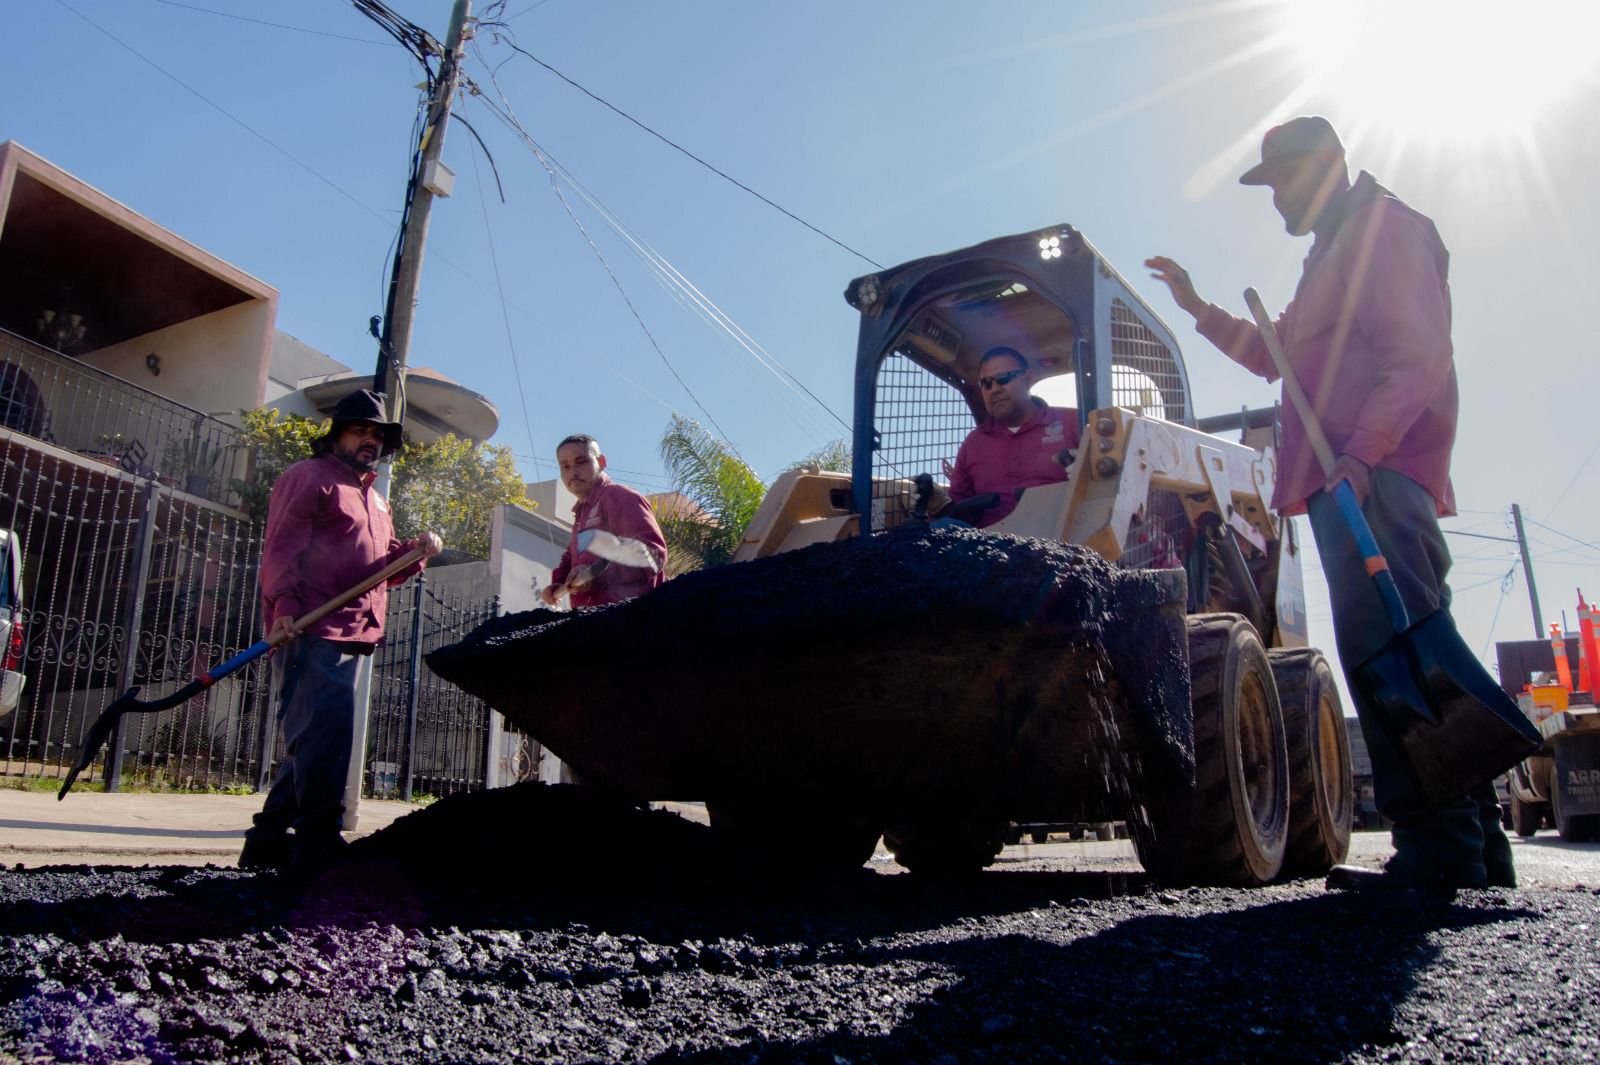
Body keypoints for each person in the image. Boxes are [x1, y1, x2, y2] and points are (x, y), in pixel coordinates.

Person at [1146, 115, 1514, 892]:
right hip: (1353, 483)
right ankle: (1474, 851)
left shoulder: (1384, 231)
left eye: (1284, 181)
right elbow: (1274, 355)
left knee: (1393, 658)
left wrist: (1357, 458)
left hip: (1376, 484)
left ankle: (1440, 851)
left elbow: (1418, 358)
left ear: (1331, 165)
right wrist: (1197, 306)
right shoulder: (1328, 258)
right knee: (1416, 655)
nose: (1277, 200)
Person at [239, 389, 440, 873]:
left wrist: (415, 553)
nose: (369, 440)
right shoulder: (307, 478)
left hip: (353, 632)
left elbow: (379, 570)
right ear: (336, 435)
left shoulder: (374, 500)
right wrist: (283, 606)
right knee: (325, 738)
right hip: (311, 629)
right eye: (359, 430)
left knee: (312, 739)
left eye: (377, 434)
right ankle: (318, 844)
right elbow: (282, 547)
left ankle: (266, 840)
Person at [939, 346, 1080, 528]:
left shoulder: (1073, 423)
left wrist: (1087, 477)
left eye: (1003, 379)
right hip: (989, 547)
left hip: (1059, 541)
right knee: (941, 527)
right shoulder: (973, 443)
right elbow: (958, 507)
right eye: (986, 384)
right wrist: (936, 504)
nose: (994, 389)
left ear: (1028, 379)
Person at [540, 434, 667, 608]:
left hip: (633, 620)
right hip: (596, 623)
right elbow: (572, 557)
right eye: (565, 466)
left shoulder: (620, 497)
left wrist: (593, 575)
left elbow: (652, 555)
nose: (573, 472)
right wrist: (558, 583)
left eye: (581, 462)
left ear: (601, 462)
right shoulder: (582, 511)